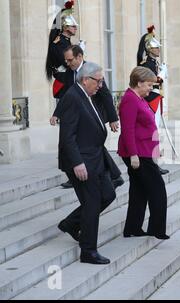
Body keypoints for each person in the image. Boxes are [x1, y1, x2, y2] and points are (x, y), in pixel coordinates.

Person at [57, 62, 116, 265]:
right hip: (82, 161)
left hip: (96, 157)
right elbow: (67, 137)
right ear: (85, 79)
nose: (100, 85)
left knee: (108, 195)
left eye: (102, 81)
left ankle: (71, 223)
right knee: (91, 203)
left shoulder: (88, 95)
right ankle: (88, 251)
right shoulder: (72, 98)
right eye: (98, 81)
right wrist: (77, 163)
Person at [51, 45, 124, 190]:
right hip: (78, 116)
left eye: (70, 60)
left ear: (79, 57)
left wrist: (113, 118)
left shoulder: (92, 72)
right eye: (66, 61)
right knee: (87, 145)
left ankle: (112, 176)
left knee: (93, 146)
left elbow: (105, 95)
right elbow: (66, 96)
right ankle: (111, 176)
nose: (68, 63)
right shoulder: (69, 73)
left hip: (91, 116)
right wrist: (57, 113)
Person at [118, 67, 170, 240]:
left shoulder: (138, 98)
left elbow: (146, 127)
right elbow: (128, 129)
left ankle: (133, 228)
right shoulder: (130, 100)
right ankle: (156, 229)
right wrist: (133, 154)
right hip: (137, 153)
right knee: (157, 189)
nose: (151, 88)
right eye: (148, 85)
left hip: (144, 151)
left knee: (139, 190)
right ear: (139, 83)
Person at [137, 25, 169, 176]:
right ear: (149, 49)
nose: (158, 50)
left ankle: (155, 162)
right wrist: (162, 75)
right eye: (156, 48)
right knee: (153, 131)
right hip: (151, 99)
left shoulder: (153, 63)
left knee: (156, 130)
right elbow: (151, 81)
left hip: (156, 98)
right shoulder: (147, 64)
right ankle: (153, 163)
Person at [45, 1, 79, 100]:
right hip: (64, 84)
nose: (75, 28)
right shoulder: (59, 43)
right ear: (65, 27)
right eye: (73, 26)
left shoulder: (67, 42)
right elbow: (67, 64)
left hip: (69, 82)